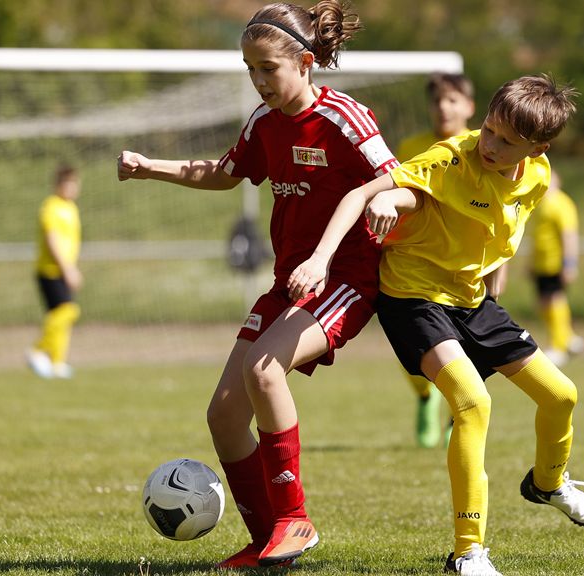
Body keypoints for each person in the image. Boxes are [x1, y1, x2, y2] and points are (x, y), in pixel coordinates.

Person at [288, 75, 584, 575]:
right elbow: (363, 195)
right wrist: (329, 251)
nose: (490, 145)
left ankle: (548, 483)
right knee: (471, 402)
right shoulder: (449, 158)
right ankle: (468, 553)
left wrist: (494, 278)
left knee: (562, 395)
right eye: (488, 129)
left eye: (506, 142)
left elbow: (504, 224)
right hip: (413, 298)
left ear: (537, 148)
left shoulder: (537, 174)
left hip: (472, 301)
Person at [118, 1, 398, 567]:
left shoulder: (345, 117)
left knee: (262, 370)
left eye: (268, 68)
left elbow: (392, 175)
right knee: (223, 414)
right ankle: (268, 536)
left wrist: (384, 201)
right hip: (289, 285)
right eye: (250, 69)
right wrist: (151, 166)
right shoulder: (263, 123)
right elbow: (225, 173)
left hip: (344, 279)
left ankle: (296, 520)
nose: (258, 81)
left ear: (306, 62)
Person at [395, 73, 476, 448]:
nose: (444, 107)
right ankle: (425, 397)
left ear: (469, 106)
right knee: (412, 343)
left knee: (467, 349)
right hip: (414, 265)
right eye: (438, 101)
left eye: (453, 99)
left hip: (464, 267)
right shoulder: (412, 146)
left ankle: (455, 415)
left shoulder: (483, 148)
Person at [27, 165, 83, 379]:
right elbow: (52, 240)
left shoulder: (71, 208)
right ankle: (37, 351)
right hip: (50, 270)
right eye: (68, 184)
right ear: (58, 185)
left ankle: (57, 362)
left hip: (65, 269)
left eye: (75, 183)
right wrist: (67, 268)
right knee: (66, 312)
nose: (72, 188)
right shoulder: (51, 207)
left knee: (64, 319)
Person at [529, 168, 584, 367]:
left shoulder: (562, 204)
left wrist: (569, 263)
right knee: (545, 303)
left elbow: (569, 235)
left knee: (554, 301)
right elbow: (538, 236)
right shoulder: (541, 204)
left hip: (556, 263)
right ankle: (569, 338)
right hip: (541, 263)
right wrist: (531, 262)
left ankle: (559, 345)